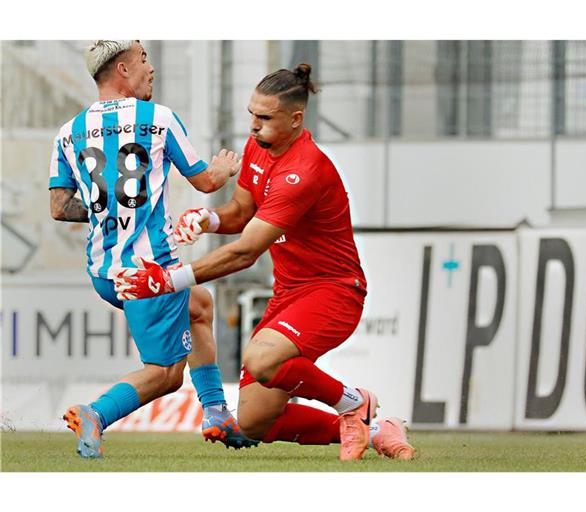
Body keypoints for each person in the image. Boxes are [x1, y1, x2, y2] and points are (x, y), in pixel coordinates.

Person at [114, 63, 415, 461]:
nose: (253, 127)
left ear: (295, 119)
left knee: (262, 358)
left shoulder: (304, 171)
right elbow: (241, 211)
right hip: (289, 292)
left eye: (264, 118)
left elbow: (246, 251)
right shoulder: (260, 147)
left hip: (334, 291)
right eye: (252, 115)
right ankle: (376, 430)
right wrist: (208, 219)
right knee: (255, 421)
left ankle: (353, 403)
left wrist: (169, 280)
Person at [49, 40, 257, 458]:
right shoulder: (158, 119)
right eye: (144, 60)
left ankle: (216, 411)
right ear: (122, 69)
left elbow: (59, 207)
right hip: (148, 271)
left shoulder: (68, 131)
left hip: (103, 270)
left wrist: (105, 209)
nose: (152, 68)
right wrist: (224, 169)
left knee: (198, 305)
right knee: (165, 375)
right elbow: (206, 183)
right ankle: (96, 414)